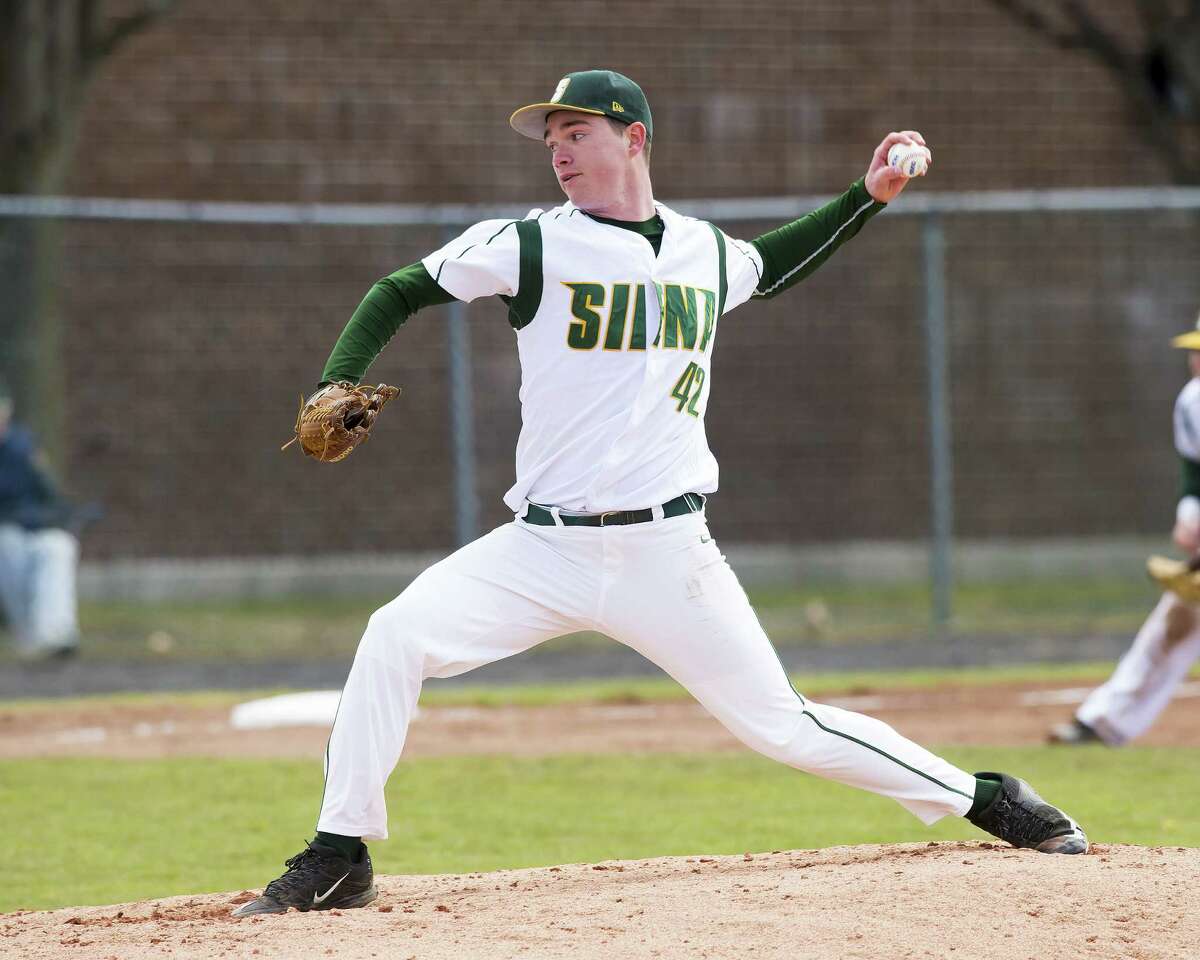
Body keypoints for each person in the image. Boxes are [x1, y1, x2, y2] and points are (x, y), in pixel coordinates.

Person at [234, 70, 1087, 918]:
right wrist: (339, 378)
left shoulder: (705, 252)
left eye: (578, 133)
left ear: (634, 138)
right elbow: (400, 290)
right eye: (552, 139)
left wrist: (868, 196)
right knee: (395, 636)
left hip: (667, 553)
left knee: (782, 727)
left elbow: (772, 264)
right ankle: (341, 854)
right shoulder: (529, 243)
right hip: (542, 547)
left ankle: (987, 798)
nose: (559, 152)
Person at [1049, 314, 1200, 746]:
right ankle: (1104, 723)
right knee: (1175, 622)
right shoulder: (1193, 402)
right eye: (1194, 350)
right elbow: (1194, 472)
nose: (1195, 361)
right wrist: (1189, 516)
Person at [0, 380, 82, 659]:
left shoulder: (22, 447)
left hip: (30, 526)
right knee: (7, 546)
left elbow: (46, 493)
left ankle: (58, 633)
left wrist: (54, 517)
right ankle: (26, 632)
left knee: (58, 546)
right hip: (5, 532)